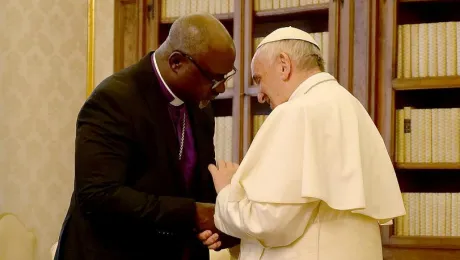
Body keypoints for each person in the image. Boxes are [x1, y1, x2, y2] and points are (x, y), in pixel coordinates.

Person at [202, 27, 406, 260]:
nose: (260, 95)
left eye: (259, 79)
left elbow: (270, 223)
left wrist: (227, 191)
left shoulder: (296, 112)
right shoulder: (351, 106)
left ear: (283, 65)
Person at [54, 13, 240, 260]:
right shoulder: (113, 99)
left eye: (225, 77)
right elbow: (98, 196)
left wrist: (221, 223)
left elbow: (197, 184)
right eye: (214, 79)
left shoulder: (200, 107)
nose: (221, 89)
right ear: (176, 62)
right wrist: (192, 213)